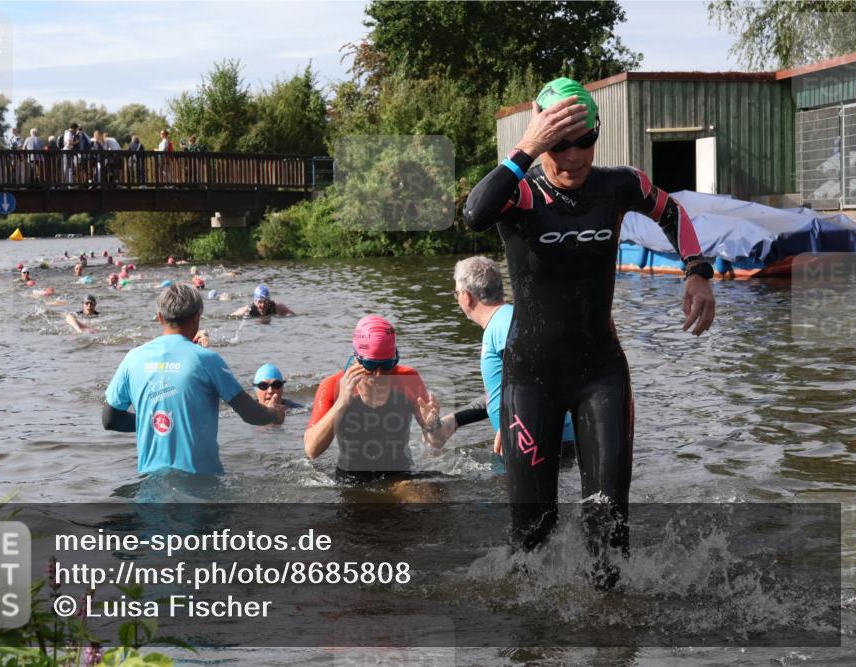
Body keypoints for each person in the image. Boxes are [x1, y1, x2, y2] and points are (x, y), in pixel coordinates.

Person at [463, 77, 716, 586]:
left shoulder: (618, 184)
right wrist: (526, 147)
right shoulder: (521, 193)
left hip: (600, 373)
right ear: (540, 138)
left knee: (609, 527)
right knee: (533, 529)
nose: (573, 155)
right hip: (530, 377)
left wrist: (697, 271)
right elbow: (474, 213)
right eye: (559, 142)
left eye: (584, 140)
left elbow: (671, 210)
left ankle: (611, 639)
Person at [103, 283, 285, 475]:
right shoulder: (207, 359)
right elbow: (250, 413)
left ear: (159, 317)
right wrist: (274, 414)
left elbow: (110, 419)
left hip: (150, 482)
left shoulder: (133, 358)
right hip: (203, 484)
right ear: (197, 317)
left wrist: (155, 422)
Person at [426, 256, 575, 453]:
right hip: (536, 439)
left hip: (539, 443)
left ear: (466, 296)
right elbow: (503, 389)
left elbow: (540, 373)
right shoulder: (504, 320)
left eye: (456, 293)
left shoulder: (503, 324)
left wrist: (512, 422)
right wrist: (456, 420)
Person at [303, 315, 446, 483]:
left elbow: (437, 442)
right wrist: (342, 402)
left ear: (395, 359)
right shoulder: (332, 385)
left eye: (386, 365)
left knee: (431, 492)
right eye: (370, 365)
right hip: (351, 479)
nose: (379, 374)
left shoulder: (409, 379)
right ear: (356, 358)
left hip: (401, 473)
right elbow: (311, 450)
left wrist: (432, 425)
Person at [230, 284, 294, 318]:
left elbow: (292, 314)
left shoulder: (277, 307)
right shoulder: (247, 310)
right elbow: (231, 317)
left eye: (265, 301)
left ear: (269, 301)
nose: (263, 305)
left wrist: (286, 316)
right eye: (260, 302)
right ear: (255, 301)